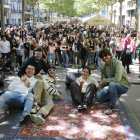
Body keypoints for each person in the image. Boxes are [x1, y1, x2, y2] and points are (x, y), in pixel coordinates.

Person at [96, 49, 131, 115]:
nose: (104, 57)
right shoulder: (103, 66)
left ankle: (112, 107)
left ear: (110, 55)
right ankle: (115, 96)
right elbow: (103, 81)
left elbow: (117, 79)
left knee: (112, 84)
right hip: (110, 86)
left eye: (105, 55)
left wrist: (104, 81)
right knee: (98, 96)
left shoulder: (117, 63)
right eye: (102, 57)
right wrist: (100, 89)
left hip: (122, 86)